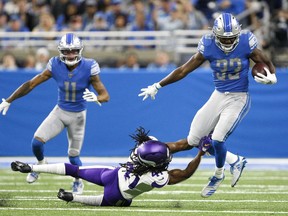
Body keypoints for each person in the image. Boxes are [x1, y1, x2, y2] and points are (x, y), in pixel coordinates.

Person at [138, 13, 277, 198]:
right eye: (223, 38)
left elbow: (264, 60)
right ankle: (235, 160)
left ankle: (218, 175)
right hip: (218, 95)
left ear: (238, 34)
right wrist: (158, 85)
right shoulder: (209, 45)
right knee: (194, 140)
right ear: (215, 35)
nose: (227, 43)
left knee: (218, 139)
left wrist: (272, 77)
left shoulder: (246, 42)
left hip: (238, 97)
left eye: (231, 38)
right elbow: (183, 70)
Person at [0, 33, 110, 194]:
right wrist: (9, 100)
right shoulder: (54, 64)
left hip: (78, 116)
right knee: (36, 142)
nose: (71, 54)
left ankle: (78, 181)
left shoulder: (89, 66)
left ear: (80, 50)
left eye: (74, 50)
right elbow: (31, 84)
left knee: (73, 156)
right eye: (67, 51)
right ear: (61, 51)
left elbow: (105, 95)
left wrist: (97, 98)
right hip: (60, 111)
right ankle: (41, 163)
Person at [11, 127, 212, 207]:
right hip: (119, 195)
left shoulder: (140, 151)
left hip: (111, 174)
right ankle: (73, 197)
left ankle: (31, 167)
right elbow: (185, 174)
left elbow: (167, 148)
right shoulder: (155, 177)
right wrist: (200, 153)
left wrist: (194, 140)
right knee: (105, 201)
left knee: (76, 170)